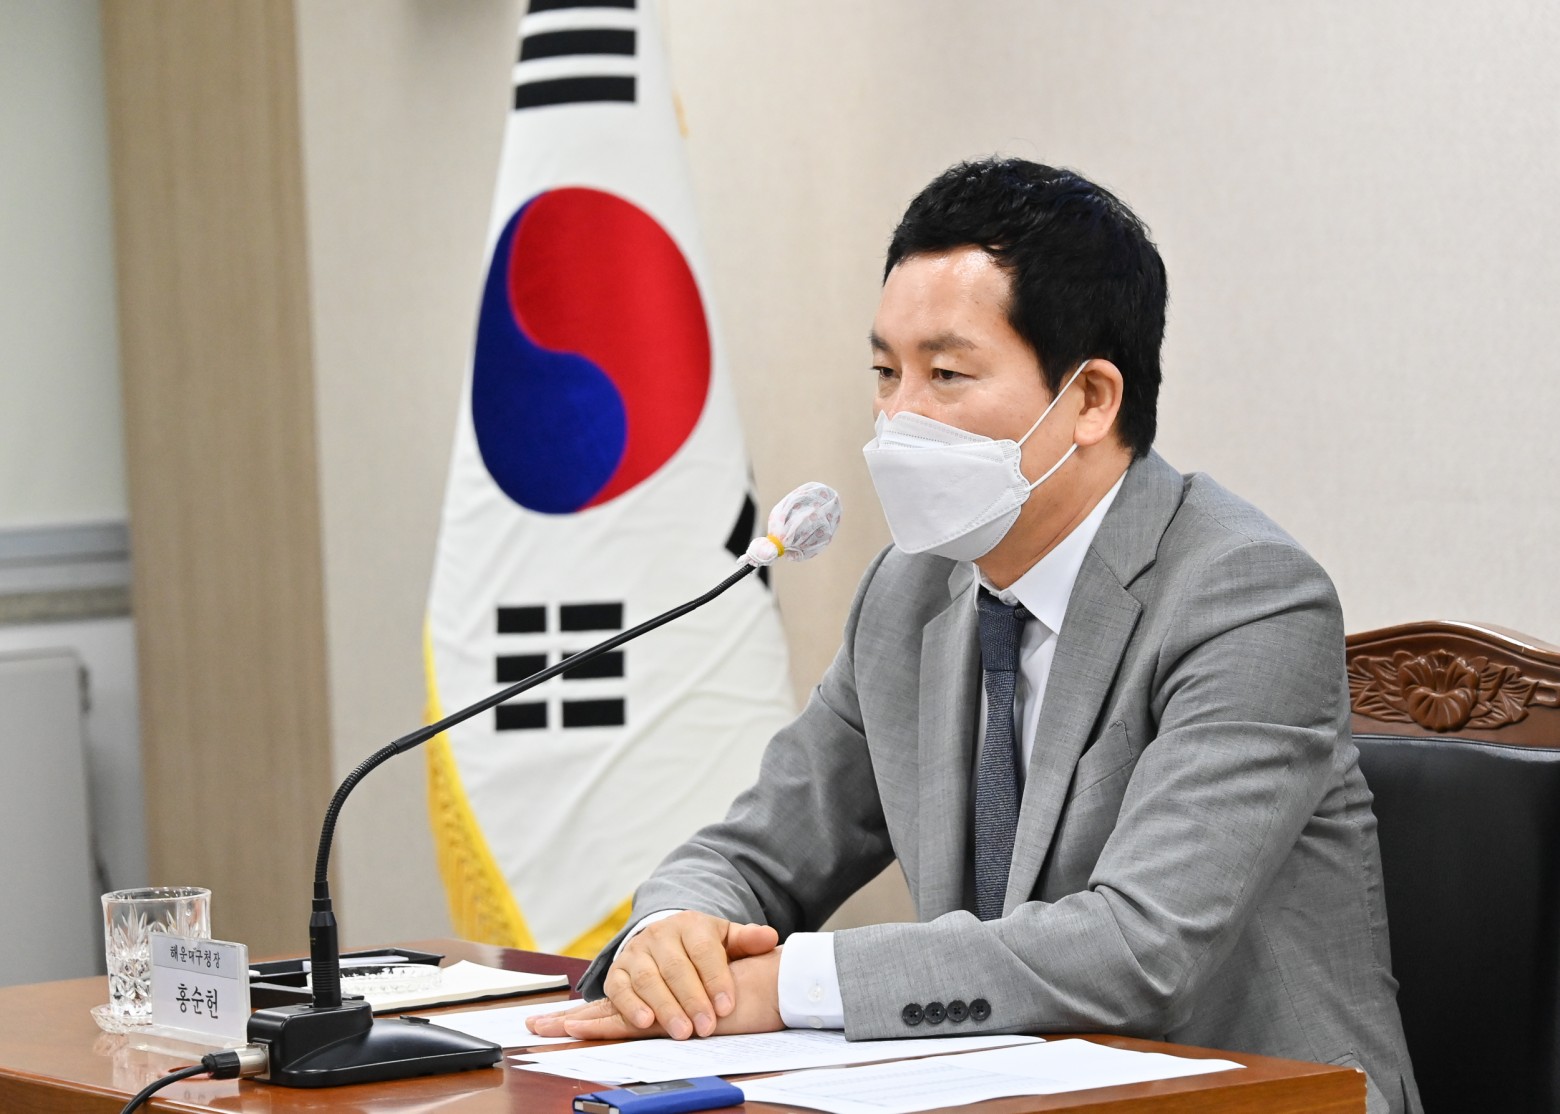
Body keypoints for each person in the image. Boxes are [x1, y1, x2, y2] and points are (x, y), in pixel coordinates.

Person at [531, 157, 1421, 1113]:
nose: (897, 418)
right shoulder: (909, 590)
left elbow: (1139, 948)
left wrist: (788, 984)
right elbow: (758, 848)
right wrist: (677, 932)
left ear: (1091, 400)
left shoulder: (1245, 595)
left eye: (946, 375)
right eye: (886, 372)